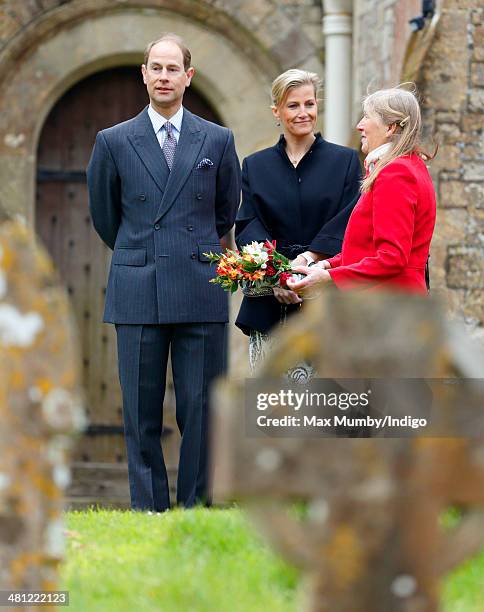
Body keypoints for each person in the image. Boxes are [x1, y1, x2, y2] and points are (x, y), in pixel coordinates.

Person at [87, 33, 241, 511]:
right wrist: (142, 251)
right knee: (141, 410)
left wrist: (190, 249)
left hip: (200, 283)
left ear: (188, 77)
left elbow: (224, 210)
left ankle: (196, 506)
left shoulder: (217, 139)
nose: (163, 76)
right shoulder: (113, 141)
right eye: (156, 67)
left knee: (199, 409)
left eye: (173, 69)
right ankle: (149, 508)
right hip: (138, 284)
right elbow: (105, 215)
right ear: (144, 74)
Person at [234, 69, 361, 369]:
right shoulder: (255, 165)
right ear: (276, 111)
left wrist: (309, 258)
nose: (303, 113)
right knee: (275, 407)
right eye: (293, 105)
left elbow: (350, 219)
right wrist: (277, 274)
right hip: (270, 303)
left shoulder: (344, 161)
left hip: (328, 298)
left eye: (310, 104)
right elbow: (248, 224)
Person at [288, 85, 436, 297]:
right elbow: (366, 250)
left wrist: (330, 278)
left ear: (390, 128)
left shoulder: (396, 173)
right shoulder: (408, 166)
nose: (359, 126)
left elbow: (391, 258)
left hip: (388, 304)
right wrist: (328, 265)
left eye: (367, 117)